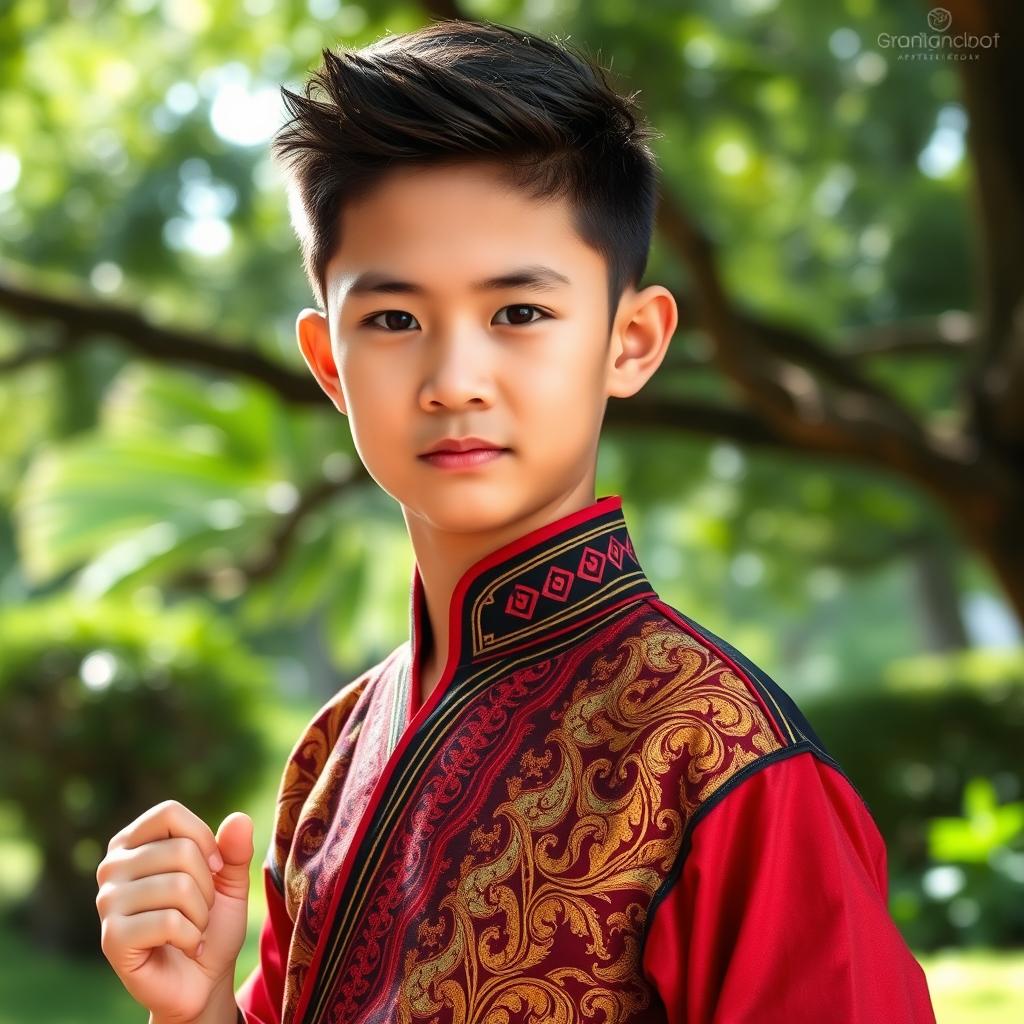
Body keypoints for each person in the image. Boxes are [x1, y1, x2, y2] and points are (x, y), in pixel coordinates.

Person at [95, 17, 938, 1024]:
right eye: (395, 319)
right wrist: (195, 1012)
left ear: (630, 341)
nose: (454, 381)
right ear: (329, 364)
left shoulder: (722, 763)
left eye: (519, 314)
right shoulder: (331, 753)